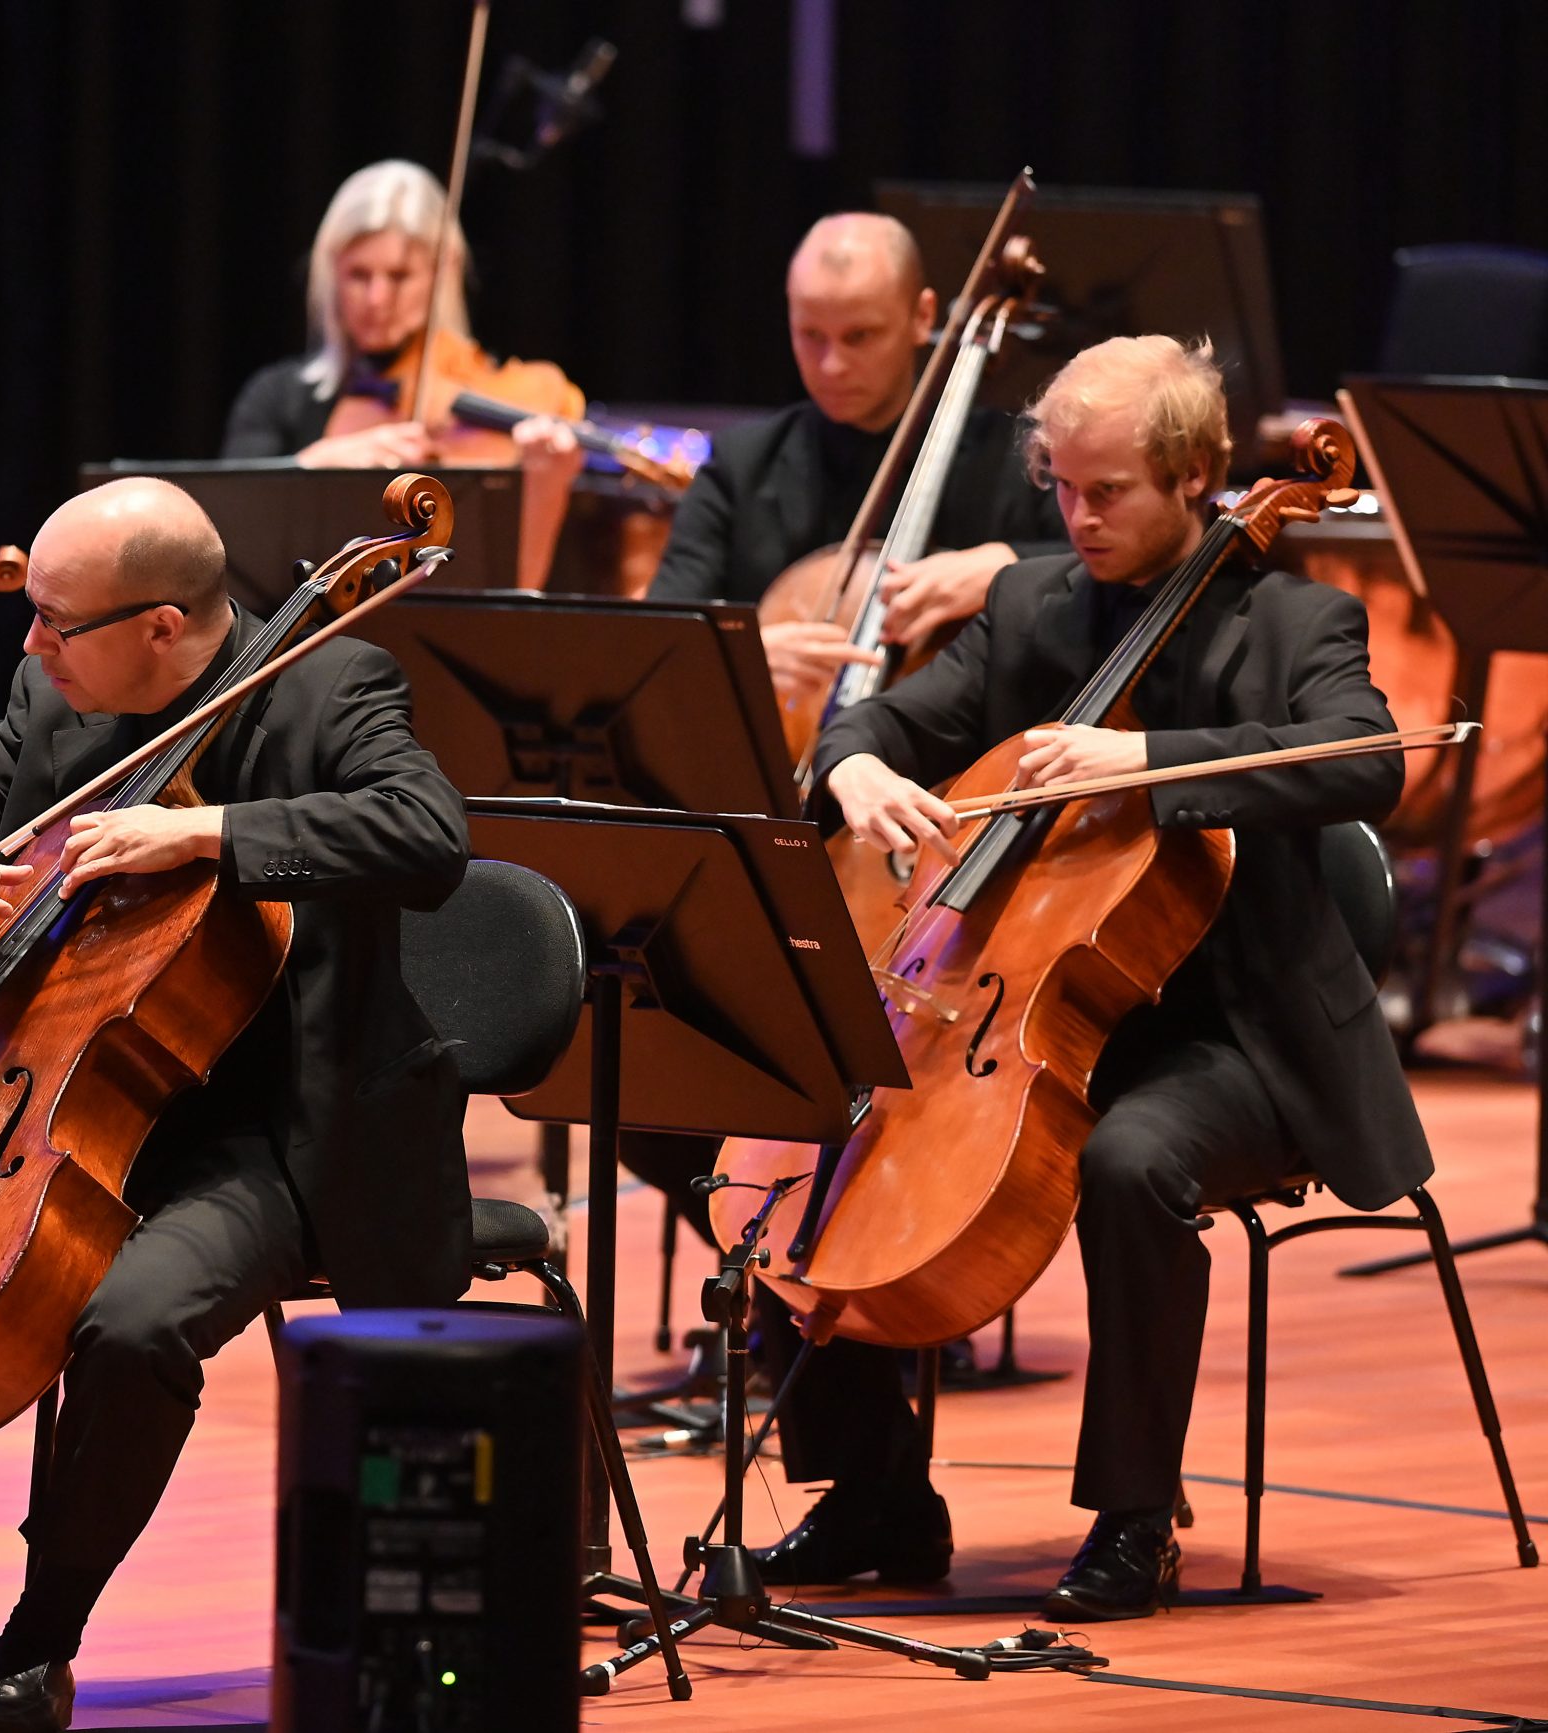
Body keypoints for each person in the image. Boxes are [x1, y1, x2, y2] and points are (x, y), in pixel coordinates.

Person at [0, 476, 470, 1731]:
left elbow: (425, 834)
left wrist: (209, 836)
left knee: (132, 1324)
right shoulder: (54, 698)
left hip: (274, 1131)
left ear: (161, 624)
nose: (27, 646)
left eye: (55, 621)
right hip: (59, 1112)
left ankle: (39, 1646)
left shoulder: (328, 687)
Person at [763, 334, 1428, 1621]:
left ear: (1192, 475)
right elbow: (880, 715)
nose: (1077, 517)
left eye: (1107, 489)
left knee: (1130, 1162)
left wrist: (1148, 755)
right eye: (1059, 487)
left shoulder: (1294, 618)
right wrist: (852, 764)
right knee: (817, 1109)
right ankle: (874, 1494)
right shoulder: (1036, 609)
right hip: (1046, 1013)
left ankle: (1134, 1521)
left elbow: (1364, 761)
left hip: (1244, 1034)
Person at [647, 211, 1066, 704]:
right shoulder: (741, 465)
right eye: (811, 335)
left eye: (859, 336)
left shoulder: (1023, 459)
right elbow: (660, 638)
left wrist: (1006, 567)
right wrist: (743, 654)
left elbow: (1109, 571)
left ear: (923, 317)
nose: (832, 365)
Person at [222, 159, 584, 590]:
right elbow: (229, 519)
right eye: (359, 275)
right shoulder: (276, 395)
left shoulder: (484, 391)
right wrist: (313, 464)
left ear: (443, 271)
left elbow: (514, 586)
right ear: (331, 271)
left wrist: (545, 480)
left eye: (399, 276)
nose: (377, 298)